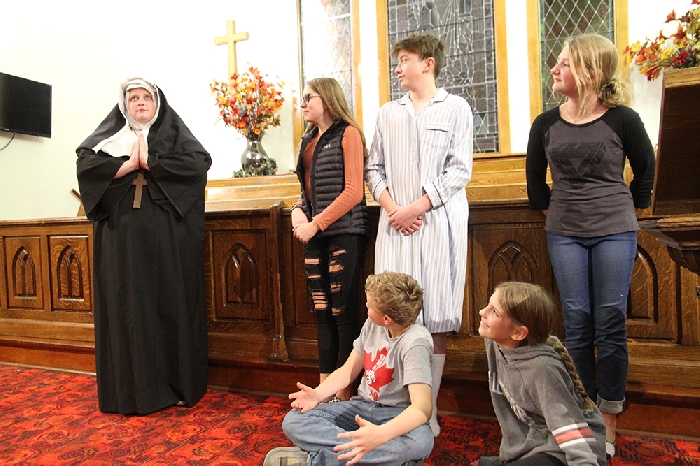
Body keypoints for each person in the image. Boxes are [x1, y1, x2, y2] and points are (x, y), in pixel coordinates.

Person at [525, 33, 656, 460]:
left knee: (610, 320)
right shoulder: (545, 123)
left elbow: (646, 170)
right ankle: (582, 414)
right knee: (577, 322)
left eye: (563, 63)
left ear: (589, 71)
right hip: (564, 231)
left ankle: (610, 413)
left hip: (615, 229)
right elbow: (534, 185)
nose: (555, 70)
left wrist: (626, 212)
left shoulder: (623, 119)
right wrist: (559, 214)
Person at [76, 77, 211, 415]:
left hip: (166, 240)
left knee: (167, 303)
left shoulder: (175, 135)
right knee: (126, 306)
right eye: (132, 98)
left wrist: (153, 163)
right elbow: (86, 165)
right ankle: (127, 390)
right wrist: (125, 165)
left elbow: (197, 166)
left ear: (157, 102)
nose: (139, 103)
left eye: (145, 97)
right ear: (124, 105)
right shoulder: (108, 138)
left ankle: (174, 386)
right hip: (119, 240)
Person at [365, 33, 473, 436]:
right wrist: (394, 209)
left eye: (404, 59)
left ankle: (426, 412)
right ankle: (392, 405)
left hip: (437, 225)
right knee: (392, 315)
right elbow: (373, 170)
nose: (397, 68)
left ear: (427, 63)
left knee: (436, 318)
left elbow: (460, 169)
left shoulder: (456, 109)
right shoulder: (387, 114)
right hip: (394, 227)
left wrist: (418, 206)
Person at [263, 271, 434, 466]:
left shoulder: (415, 343)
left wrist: (380, 435)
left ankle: (316, 461)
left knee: (421, 442)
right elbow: (347, 371)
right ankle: (377, 459)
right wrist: (317, 395)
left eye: (369, 305)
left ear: (387, 318)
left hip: (395, 415)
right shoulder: (372, 324)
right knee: (294, 421)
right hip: (361, 407)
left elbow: (422, 408)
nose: (366, 307)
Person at [291, 77, 369, 402]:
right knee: (322, 314)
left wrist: (316, 224)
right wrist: (298, 212)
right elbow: (306, 191)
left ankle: (345, 395)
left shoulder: (348, 133)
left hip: (342, 233)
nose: (303, 102)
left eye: (309, 97)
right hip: (315, 235)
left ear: (327, 98)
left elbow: (353, 191)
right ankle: (323, 394)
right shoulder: (308, 139)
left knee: (343, 314)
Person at [474, 282, 606, 466]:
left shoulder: (542, 369)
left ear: (519, 333)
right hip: (533, 444)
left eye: (494, 312)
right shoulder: (494, 343)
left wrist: (585, 462)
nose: (482, 312)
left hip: (561, 449)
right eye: (488, 305)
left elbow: (568, 425)